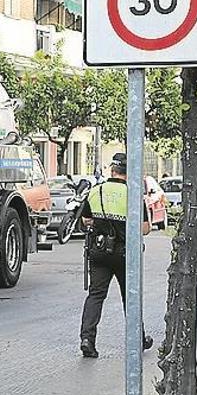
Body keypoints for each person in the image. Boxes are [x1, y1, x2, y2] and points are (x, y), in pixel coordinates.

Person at [79, 152, 153, 358]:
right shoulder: (132, 194)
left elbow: (85, 220)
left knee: (96, 295)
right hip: (124, 253)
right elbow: (145, 228)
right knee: (130, 297)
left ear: (112, 171)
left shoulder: (96, 191)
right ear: (128, 174)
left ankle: (87, 339)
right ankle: (139, 338)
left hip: (99, 251)